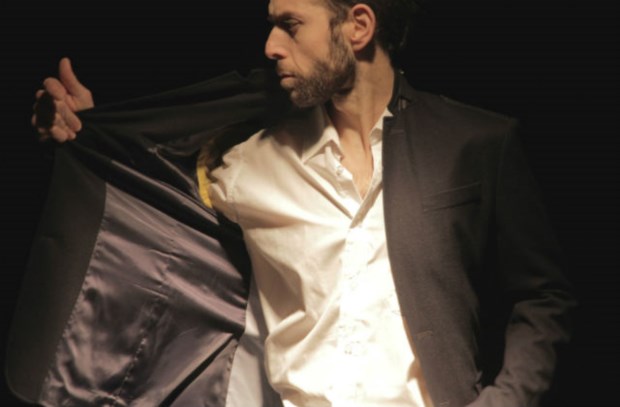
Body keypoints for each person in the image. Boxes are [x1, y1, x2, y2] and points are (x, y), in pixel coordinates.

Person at [26, 0, 575, 406]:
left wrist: (505, 401)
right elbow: (147, 194)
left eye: (290, 25)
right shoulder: (248, 162)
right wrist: (91, 132)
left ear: (358, 26)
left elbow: (544, 295)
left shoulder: (475, 144)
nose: (270, 46)